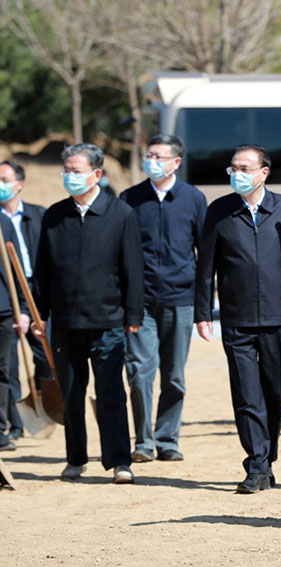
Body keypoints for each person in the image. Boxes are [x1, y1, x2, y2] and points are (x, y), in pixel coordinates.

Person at [195, 144, 281, 493]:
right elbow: (206, 267)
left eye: (245, 167)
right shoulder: (218, 212)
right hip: (236, 319)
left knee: (274, 394)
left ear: (264, 172)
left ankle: (267, 458)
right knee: (246, 393)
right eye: (233, 167)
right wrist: (202, 312)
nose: (238, 173)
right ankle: (256, 464)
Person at [33, 143, 144, 483]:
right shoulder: (54, 216)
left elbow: (133, 270)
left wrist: (133, 317)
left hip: (108, 321)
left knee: (111, 393)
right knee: (71, 395)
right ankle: (75, 458)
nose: (69, 176)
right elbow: (43, 272)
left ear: (97, 174)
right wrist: (41, 316)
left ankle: (119, 461)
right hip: (65, 322)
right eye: (66, 170)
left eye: (76, 171)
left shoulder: (120, 213)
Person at [120, 135, 207, 463]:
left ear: (175, 163)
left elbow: (204, 254)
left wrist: (202, 308)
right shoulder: (130, 198)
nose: (151, 160)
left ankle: (167, 439)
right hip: (139, 302)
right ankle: (143, 442)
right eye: (148, 155)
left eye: (159, 156)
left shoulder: (193, 199)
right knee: (140, 371)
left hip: (180, 299)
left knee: (173, 375)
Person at [0, 160, 48, 443]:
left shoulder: (37, 215)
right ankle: (14, 422)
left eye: (5, 179)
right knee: (8, 363)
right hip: (9, 289)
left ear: (19, 183)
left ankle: (45, 403)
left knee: (42, 353)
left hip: (35, 288)